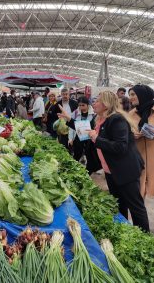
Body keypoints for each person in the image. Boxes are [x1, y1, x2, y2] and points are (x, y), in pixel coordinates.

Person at [58, 90, 149, 232]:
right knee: (118, 205)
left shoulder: (116, 119)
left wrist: (96, 138)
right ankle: (125, 231)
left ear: (106, 104)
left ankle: (144, 237)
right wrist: (69, 119)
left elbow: (120, 146)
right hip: (110, 170)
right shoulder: (97, 119)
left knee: (135, 207)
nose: (93, 103)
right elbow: (85, 130)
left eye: (97, 100)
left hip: (125, 170)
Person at [129, 84, 154, 198]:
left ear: (142, 95)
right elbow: (125, 131)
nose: (130, 97)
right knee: (138, 190)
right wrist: (131, 134)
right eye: (130, 95)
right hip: (137, 155)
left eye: (133, 94)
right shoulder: (131, 113)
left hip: (152, 154)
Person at [68, 96, 94, 162]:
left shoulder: (94, 113)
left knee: (89, 154)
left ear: (88, 104)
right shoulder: (75, 113)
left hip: (89, 137)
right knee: (77, 153)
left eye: (83, 105)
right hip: (78, 136)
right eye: (79, 105)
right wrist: (70, 138)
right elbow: (71, 127)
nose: (81, 107)